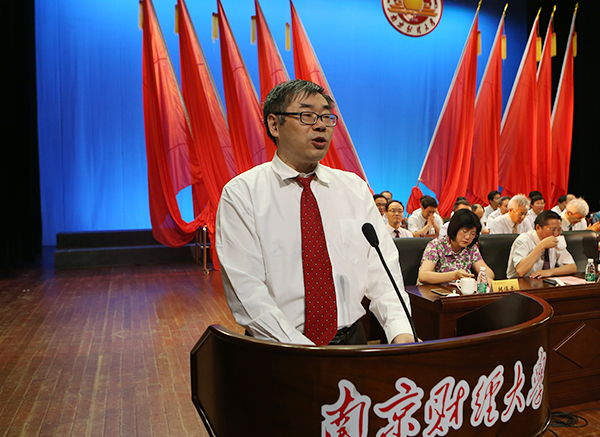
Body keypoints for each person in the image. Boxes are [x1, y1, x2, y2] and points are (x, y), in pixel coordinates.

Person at [216, 80, 414, 346]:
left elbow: (383, 271)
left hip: (352, 342)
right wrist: (305, 353)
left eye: (326, 117)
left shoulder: (354, 188)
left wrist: (401, 332)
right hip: (278, 348)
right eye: (307, 115)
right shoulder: (242, 194)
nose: (320, 125)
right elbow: (246, 290)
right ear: (274, 125)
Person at [418, 209, 495, 285]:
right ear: (454, 228)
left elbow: (487, 270)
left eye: (472, 234)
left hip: (459, 291)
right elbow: (423, 276)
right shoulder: (436, 245)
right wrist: (454, 276)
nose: (467, 237)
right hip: (433, 290)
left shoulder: (471, 248)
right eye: (464, 231)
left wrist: (486, 277)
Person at [507, 211, 576, 279]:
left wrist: (549, 272)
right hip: (520, 281)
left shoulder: (556, 239)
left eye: (559, 229)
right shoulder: (524, 240)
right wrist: (541, 246)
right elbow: (520, 271)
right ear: (538, 228)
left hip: (543, 281)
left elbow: (572, 267)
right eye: (552, 229)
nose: (556, 233)